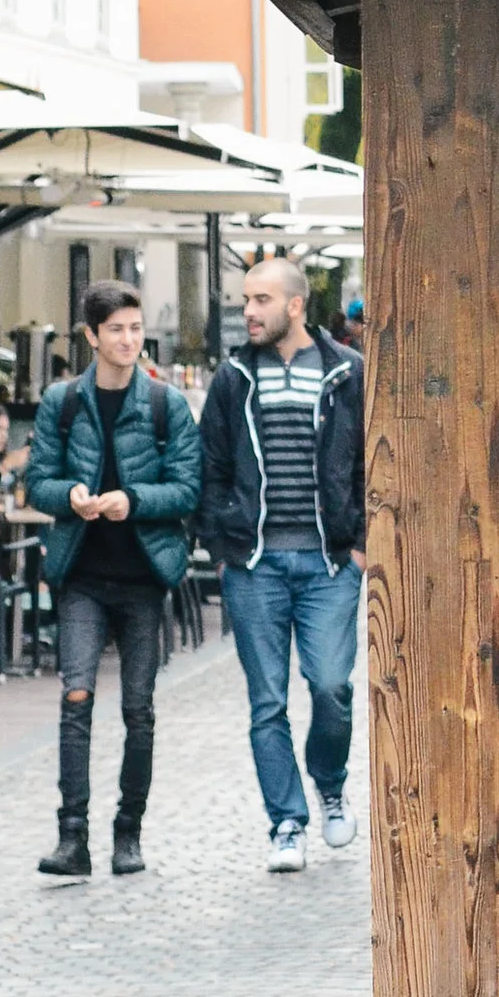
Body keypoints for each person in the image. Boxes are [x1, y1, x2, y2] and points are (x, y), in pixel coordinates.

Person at [200, 254, 366, 876]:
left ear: (295, 305)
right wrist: (224, 552)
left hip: (329, 563)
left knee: (331, 686)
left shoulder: (347, 371)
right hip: (255, 565)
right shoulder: (233, 378)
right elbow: (211, 468)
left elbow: (369, 461)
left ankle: (330, 784)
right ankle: (287, 822)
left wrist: (361, 544)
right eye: (246, 299)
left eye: (261, 300)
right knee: (266, 702)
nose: (249, 311)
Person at [30, 283, 201, 882]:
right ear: (91, 336)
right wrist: (69, 495)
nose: (129, 340)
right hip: (81, 575)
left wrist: (134, 500)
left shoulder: (164, 404)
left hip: (142, 578)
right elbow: (38, 482)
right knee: (75, 698)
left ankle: (128, 832)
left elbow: (188, 488)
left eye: (135, 328)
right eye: (117, 330)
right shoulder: (62, 402)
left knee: (138, 710)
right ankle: (71, 836)